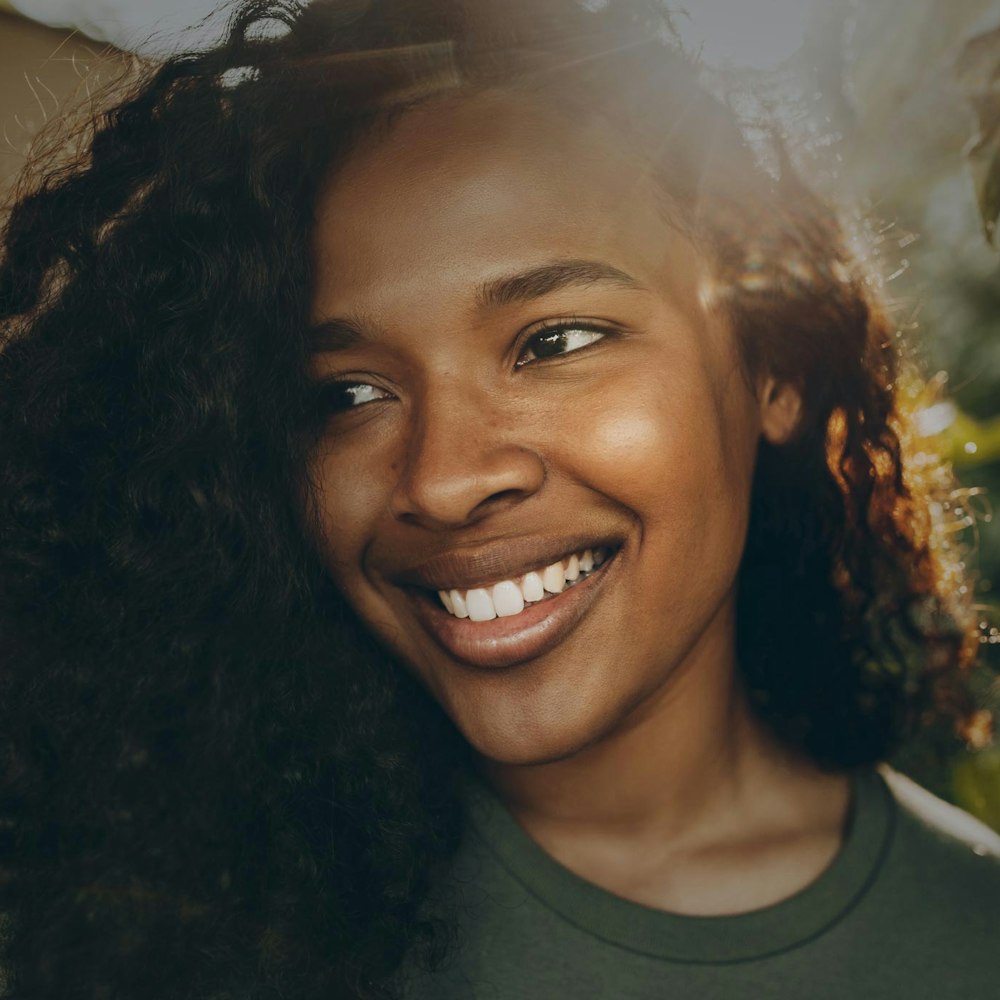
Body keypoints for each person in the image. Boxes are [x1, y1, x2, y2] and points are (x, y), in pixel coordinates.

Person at [0, 1, 997, 997]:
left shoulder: (972, 941)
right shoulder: (166, 927)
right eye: (346, 394)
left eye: (555, 342)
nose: (440, 480)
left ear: (773, 364)